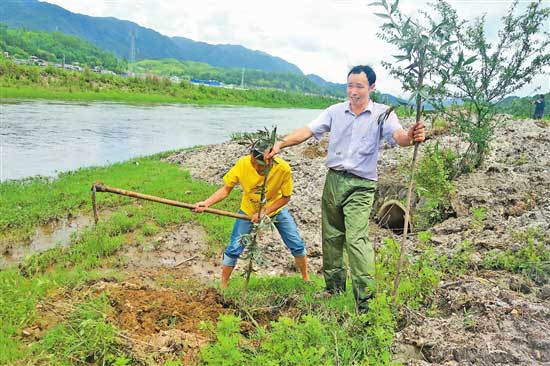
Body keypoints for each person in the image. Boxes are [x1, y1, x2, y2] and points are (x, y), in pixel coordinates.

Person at [265, 65, 425, 312]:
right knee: (331, 236)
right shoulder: (335, 111)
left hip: (362, 185)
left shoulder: (383, 114)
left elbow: (400, 138)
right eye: (350, 85)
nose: (353, 91)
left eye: (359, 86)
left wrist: (412, 135)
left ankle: (366, 302)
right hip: (334, 180)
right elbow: (308, 131)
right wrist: (281, 143)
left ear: (372, 87)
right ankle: (333, 289)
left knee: (356, 239)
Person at [193, 141, 310, 289]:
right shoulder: (243, 164)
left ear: (270, 160)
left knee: (296, 244)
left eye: (259, 165)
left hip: (274, 209)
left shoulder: (283, 169)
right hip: (248, 210)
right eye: (253, 163)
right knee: (234, 248)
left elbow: (286, 197)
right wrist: (207, 203)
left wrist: (264, 212)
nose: (255, 167)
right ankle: (223, 285)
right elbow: (226, 190)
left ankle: (306, 278)